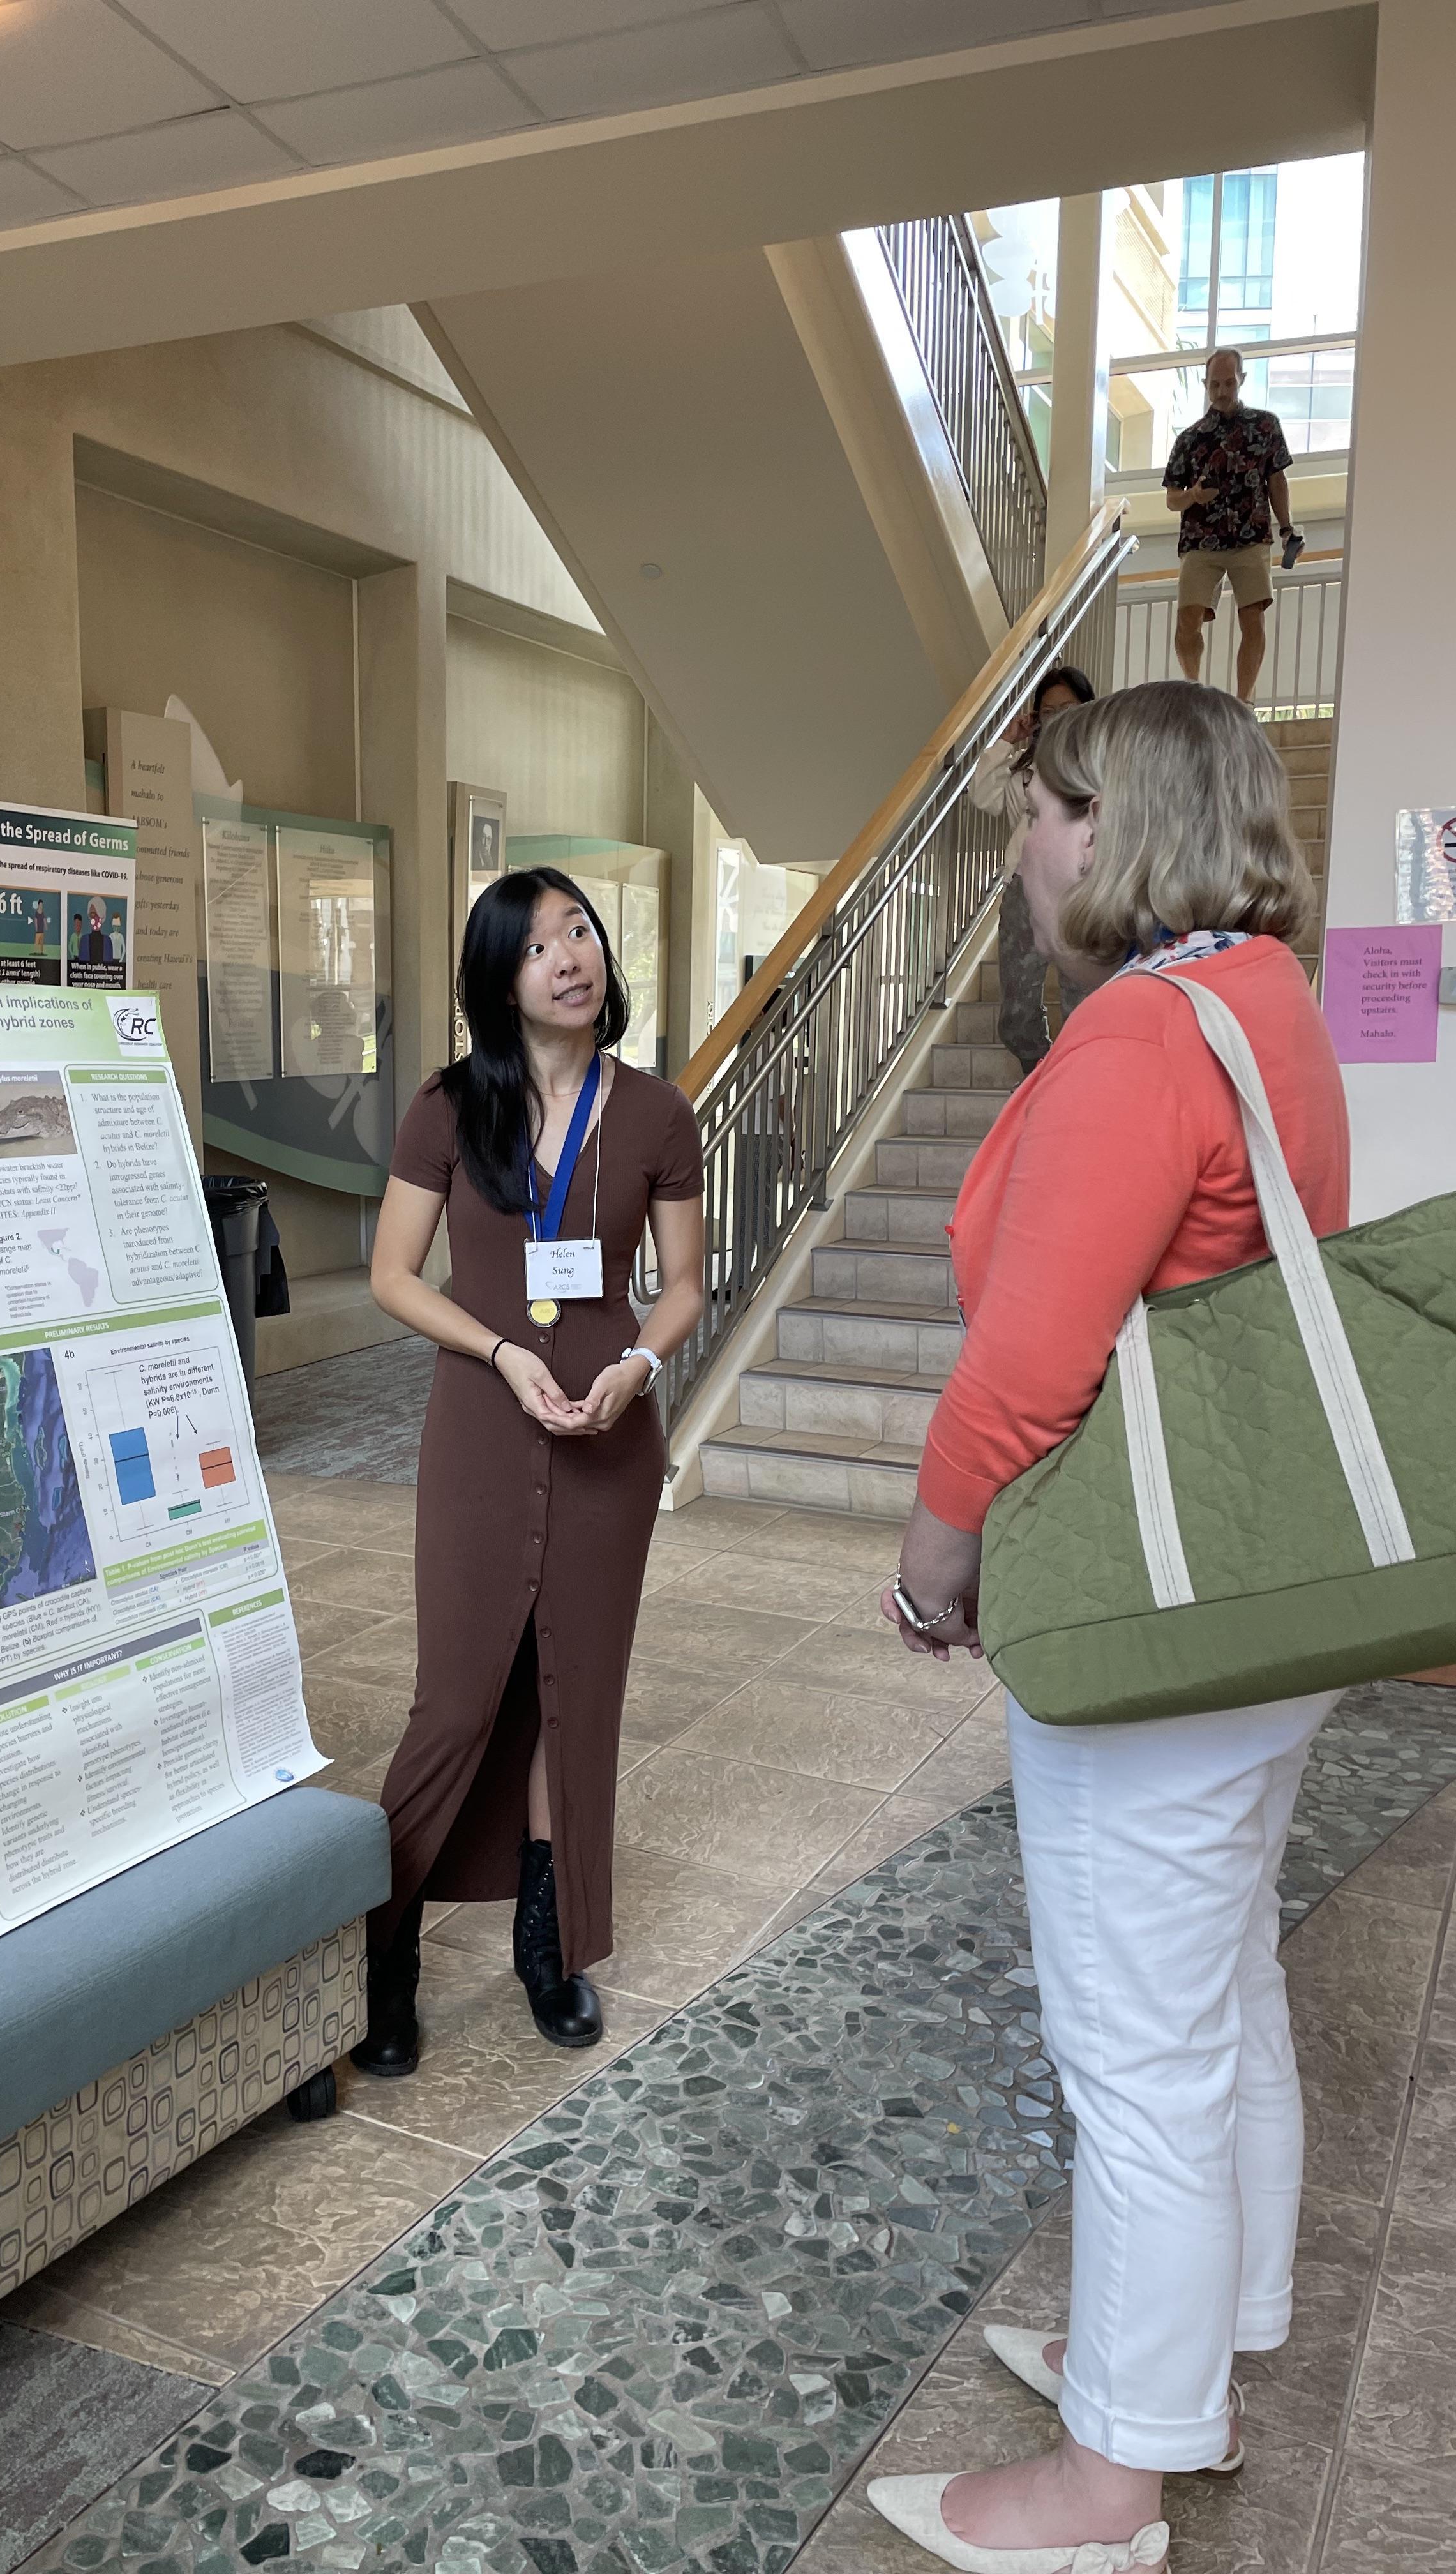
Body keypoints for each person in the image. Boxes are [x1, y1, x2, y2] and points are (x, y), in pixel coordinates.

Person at [869, 681, 1344, 2574]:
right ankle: (1194, 2363)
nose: (1025, 846)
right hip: (1252, 1592)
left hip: (1150, 1614)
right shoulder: (1263, 998)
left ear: (1119, 824)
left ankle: (1110, 2482)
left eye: (1046, 813)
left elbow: (1023, 1373)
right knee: (1218, 1992)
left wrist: (932, 1571)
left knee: (1136, 2048)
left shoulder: (1143, 1034)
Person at [356, 869, 705, 2075]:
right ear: (498, 978)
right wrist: (502, 1351)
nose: (570, 955)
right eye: (539, 943)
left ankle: (546, 1949)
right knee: (455, 1700)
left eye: (581, 931)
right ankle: (382, 1954)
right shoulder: (449, 1108)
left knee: (575, 1696)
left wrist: (639, 1366)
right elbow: (392, 1275)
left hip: (609, 1441)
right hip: (480, 1429)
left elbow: (683, 1287)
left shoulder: (656, 1115)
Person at [968, 663, 1095, 1075]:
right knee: (1017, 1004)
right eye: (1049, 711)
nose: (1058, 719)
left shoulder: (1103, 765)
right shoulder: (1025, 772)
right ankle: (1036, 1070)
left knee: (1083, 996)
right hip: (1025, 888)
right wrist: (1008, 740)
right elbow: (982, 794)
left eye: (1068, 709)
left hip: (1083, 890)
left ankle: (1077, 1078)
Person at [1162, 349, 1296, 703]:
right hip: (1200, 540)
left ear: (1242, 380)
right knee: (1187, 621)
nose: (1222, 391)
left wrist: (1287, 528)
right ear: (1205, 384)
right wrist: (1194, 495)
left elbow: (1277, 481)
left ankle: (1243, 703)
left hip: (1252, 535)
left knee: (1253, 619)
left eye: (1229, 383)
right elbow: (1172, 499)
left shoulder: (1265, 425)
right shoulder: (1189, 439)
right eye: (1215, 385)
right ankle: (1193, 693)